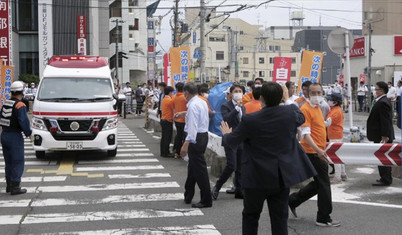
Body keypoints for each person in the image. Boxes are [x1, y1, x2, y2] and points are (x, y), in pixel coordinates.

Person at [220, 82, 316, 235]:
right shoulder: (290, 113)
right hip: (280, 176)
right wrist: (287, 99)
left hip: (255, 176)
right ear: (281, 97)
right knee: (279, 219)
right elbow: (300, 116)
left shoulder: (250, 120)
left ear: (261, 98)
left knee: (251, 216)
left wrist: (226, 134)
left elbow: (231, 141)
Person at [289, 82, 341, 227]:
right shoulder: (305, 109)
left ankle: (293, 200)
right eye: (313, 93)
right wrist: (318, 151)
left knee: (319, 183)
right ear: (307, 93)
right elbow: (305, 134)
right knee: (324, 184)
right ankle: (323, 217)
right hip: (312, 152)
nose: (317, 96)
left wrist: (325, 124)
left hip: (317, 151)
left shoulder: (317, 108)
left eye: (319, 93)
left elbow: (315, 126)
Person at [180, 82, 212, 208]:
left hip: (195, 138)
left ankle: (206, 199)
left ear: (187, 93)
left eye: (184, 93)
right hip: (203, 135)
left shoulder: (193, 105)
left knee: (200, 170)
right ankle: (188, 195)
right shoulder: (201, 102)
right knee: (193, 167)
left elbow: (192, 126)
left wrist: (186, 144)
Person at [211, 84, 245, 201]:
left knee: (240, 167)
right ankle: (217, 186)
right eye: (236, 91)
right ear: (230, 94)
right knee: (232, 165)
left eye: (240, 91)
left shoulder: (243, 107)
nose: (238, 93)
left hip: (241, 139)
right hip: (230, 139)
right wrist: (236, 109)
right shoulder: (226, 106)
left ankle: (239, 190)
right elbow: (227, 119)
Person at [0, 81, 32, 195]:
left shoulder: (6, 103)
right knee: (17, 161)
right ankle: (15, 186)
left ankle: (9, 185)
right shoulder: (20, 105)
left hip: (4, 134)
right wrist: (29, 133)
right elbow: (23, 122)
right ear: (22, 92)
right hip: (14, 136)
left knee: (8, 161)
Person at [368, 81, 395, 186]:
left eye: (376, 89)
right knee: (381, 156)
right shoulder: (380, 101)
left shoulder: (383, 102)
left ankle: (386, 178)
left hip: (382, 135)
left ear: (382, 91)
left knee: (383, 157)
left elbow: (385, 121)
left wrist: (385, 135)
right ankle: (384, 177)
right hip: (379, 134)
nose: (375, 91)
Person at [325, 93, 347, 184]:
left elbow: (327, 123)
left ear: (335, 101)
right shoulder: (337, 109)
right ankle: (343, 174)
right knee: (339, 155)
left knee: (335, 157)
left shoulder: (335, 111)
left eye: (330, 100)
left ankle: (337, 177)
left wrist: (316, 122)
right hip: (338, 134)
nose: (328, 101)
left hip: (334, 136)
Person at [172, 82, 188, 159]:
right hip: (185, 120)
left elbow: (173, 108)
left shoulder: (174, 97)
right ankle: (182, 152)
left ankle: (177, 152)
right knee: (184, 137)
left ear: (176, 88)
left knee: (178, 136)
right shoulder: (185, 98)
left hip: (177, 119)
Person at [160, 86, 174, 158]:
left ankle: (163, 152)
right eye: (172, 92)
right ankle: (166, 152)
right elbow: (173, 109)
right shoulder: (170, 100)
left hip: (163, 119)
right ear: (170, 92)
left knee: (164, 137)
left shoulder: (164, 99)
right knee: (167, 137)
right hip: (168, 120)